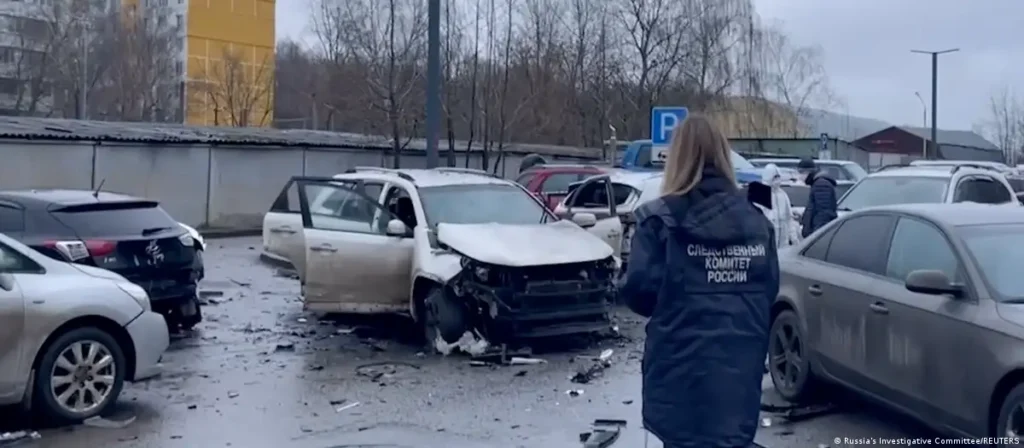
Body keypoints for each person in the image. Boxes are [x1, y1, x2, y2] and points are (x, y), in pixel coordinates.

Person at [618, 113, 780, 448]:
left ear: (676, 158)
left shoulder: (659, 220)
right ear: (723, 156)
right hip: (739, 376)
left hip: (681, 378)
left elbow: (638, 294)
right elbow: (769, 291)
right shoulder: (757, 222)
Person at [754, 164, 797, 248]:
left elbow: (789, 218)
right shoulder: (759, 194)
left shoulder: (782, 195)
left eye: (778, 177)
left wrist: (794, 238)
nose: (778, 181)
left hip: (783, 243)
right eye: (775, 178)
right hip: (765, 242)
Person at [796, 157, 838, 237]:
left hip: (818, 235)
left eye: (800, 173)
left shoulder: (821, 185)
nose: (799, 177)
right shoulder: (817, 184)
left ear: (807, 172)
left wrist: (816, 236)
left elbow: (824, 214)